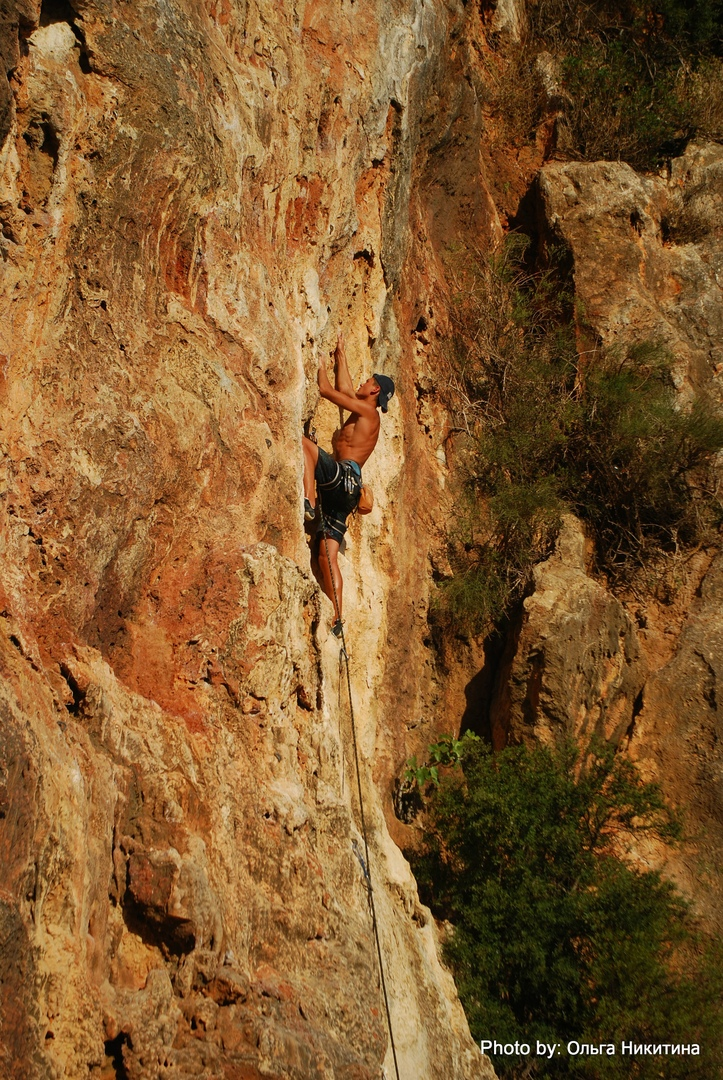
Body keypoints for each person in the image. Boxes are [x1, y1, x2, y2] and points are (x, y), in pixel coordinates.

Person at [302, 334, 395, 636]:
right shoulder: (365, 411)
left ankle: (308, 502)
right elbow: (344, 389)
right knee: (325, 556)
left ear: (375, 389)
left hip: (343, 479)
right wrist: (340, 355)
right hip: (349, 492)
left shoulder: (368, 412)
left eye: (367, 381)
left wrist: (318, 363)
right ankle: (338, 616)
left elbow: (327, 389)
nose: (362, 383)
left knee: (306, 446)